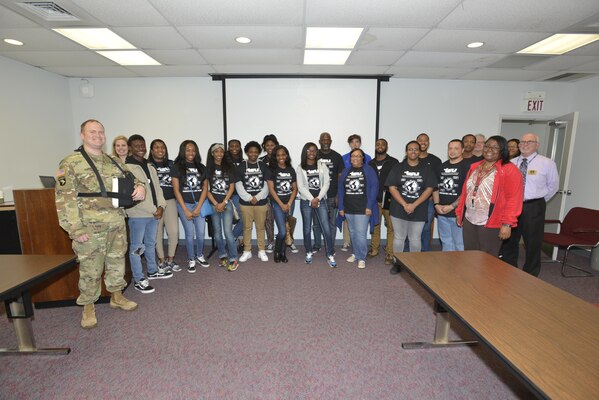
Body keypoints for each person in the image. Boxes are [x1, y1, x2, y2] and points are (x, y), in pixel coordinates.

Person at [56, 119, 144, 329]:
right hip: (89, 226)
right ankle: (88, 306)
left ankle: (116, 296)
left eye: (101, 132)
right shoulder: (70, 163)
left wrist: (141, 188)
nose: (97, 135)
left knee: (116, 262)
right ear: (82, 135)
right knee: (90, 268)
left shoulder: (113, 161)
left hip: (116, 222)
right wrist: (75, 229)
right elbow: (64, 198)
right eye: (92, 132)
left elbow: (133, 179)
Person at [501, 133, 559, 276]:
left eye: (529, 141)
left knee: (533, 242)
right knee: (509, 240)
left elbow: (553, 187)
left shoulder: (547, 163)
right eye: (522, 141)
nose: (524, 144)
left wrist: (537, 200)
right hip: (512, 206)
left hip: (533, 206)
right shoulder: (511, 163)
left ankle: (530, 274)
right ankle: (508, 269)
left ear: (537, 145)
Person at [456, 136, 523, 256]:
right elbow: (466, 192)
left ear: (502, 150)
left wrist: (507, 224)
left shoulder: (508, 169)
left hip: (491, 221)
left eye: (495, 147)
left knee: (487, 259)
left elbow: (513, 199)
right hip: (470, 218)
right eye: (487, 146)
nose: (489, 149)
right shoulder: (475, 167)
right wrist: (459, 212)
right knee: (469, 255)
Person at [125, 134, 172, 294]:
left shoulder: (150, 166)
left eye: (142, 145)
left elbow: (158, 189)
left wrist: (162, 206)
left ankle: (152, 271)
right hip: (138, 214)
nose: (141, 148)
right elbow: (132, 194)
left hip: (154, 213)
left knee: (151, 244)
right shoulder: (127, 167)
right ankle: (138, 279)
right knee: (137, 248)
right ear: (130, 148)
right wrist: (154, 209)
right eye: (137, 146)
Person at [386, 141, 436, 274]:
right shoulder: (398, 167)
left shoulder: (427, 168)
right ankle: (397, 263)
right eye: (410, 149)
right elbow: (392, 187)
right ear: (406, 151)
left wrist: (414, 204)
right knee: (399, 237)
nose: (413, 152)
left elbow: (429, 189)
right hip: (398, 208)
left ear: (419, 152)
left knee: (415, 238)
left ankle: (414, 265)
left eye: (415, 149)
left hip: (419, 208)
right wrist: (404, 204)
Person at [171, 140, 210, 272]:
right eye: (188, 150)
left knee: (200, 233)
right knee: (189, 234)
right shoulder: (176, 167)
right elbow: (176, 190)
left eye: (193, 150)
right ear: (183, 151)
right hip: (184, 204)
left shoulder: (202, 167)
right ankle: (191, 258)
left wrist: (198, 207)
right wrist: (185, 209)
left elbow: (205, 188)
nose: (191, 152)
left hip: (199, 204)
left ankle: (199, 255)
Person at [338, 148, 379, 269]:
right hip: (349, 207)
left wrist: (369, 206)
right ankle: (356, 253)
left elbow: (374, 188)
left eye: (358, 156)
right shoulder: (346, 171)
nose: (355, 158)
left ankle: (362, 257)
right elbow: (340, 190)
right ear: (350, 159)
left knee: (360, 234)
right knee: (353, 233)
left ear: (362, 158)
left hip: (363, 208)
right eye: (353, 156)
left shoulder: (369, 170)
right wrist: (341, 207)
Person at [297, 142, 337, 267]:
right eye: (309, 150)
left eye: (314, 150)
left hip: (321, 200)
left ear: (317, 152)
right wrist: (311, 199)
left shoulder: (322, 165)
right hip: (306, 201)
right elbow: (300, 186)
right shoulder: (300, 167)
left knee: (326, 228)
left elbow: (326, 184)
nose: (311, 153)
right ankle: (308, 252)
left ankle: (330, 254)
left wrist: (318, 198)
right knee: (307, 228)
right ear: (305, 152)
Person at [205, 143, 239, 271]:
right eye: (216, 152)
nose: (219, 154)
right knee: (217, 233)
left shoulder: (229, 167)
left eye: (221, 152)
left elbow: (231, 187)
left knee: (228, 232)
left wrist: (224, 202)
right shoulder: (208, 168)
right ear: (212, 153)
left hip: (226, 204)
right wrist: (215, 203)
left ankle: (234, 258)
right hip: (213, 204)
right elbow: (206, 189)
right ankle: (222, 255)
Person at [148, 139, 180, 272]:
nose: (160, 150)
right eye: (156, 148)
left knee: (174, 231)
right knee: (158, 233)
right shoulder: (148, 165)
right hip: (155, 204)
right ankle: (161, 260)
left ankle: (170, 259)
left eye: (162, 148)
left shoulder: (172, 164)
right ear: (151, 150)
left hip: (170, 201)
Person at [236, 141, 270, 262]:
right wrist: (250, 198)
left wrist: (258, 197)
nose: (253, 154)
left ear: (259, 153)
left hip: (261, 203)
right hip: (245, 203)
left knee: (260, 227)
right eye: (251, 152)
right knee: (247, 227)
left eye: (256, 152)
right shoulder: (241, 166)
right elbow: (238, 185)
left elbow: (267, 184)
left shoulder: (263, 166)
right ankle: (247, 251)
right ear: (247, 152)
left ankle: (261, 250)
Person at [433, 139, 469, 251]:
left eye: (456, 148)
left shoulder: (468, 167)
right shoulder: (441, 167)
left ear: (462, 150)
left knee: (459, 243)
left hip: (458, 212)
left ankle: (458, 268)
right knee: (446, 241)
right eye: (450, 148)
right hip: (442, 211)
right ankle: (447, 267)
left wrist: (452, 206)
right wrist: (436, 204)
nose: (452, 151)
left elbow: (467, 191)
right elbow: (435, 188)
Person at [367, 138, 399, 264]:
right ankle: (374, 250)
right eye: (378, 144)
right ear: (375, 146)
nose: (380, 146)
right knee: (375, 225)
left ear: (387, 147)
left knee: (391, 227)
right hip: (374, 199)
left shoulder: (394, 162)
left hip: (390, 200)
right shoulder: (370, 163)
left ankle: (390, 254)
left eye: (383, 144)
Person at [313, 132, 344, 253]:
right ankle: (317, 244)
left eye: (327, 140)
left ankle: (330, 246)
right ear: (319, 141)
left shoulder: (337, 156)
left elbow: (340, 177)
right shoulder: (314, 155)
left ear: (330, 141)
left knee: (331, 223)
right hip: (317, 196)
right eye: (323, 140)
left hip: (332, 195)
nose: (325, 142)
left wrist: (338, 195)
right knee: (316, 223)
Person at [266, 145, 297, 263]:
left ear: (287, 155)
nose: (281, 157)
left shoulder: (290, 169)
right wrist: (281, 204)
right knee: (282, 231)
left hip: (289, 203)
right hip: (277, 204)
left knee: (287, 229)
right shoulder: (271, 169)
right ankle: (277, 251)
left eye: (283, 154)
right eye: (278, 155)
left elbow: (295, 188)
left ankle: (283, 253)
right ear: (275, 156)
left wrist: (289, 203)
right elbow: (271, 189)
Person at [341, 134, 372, 252]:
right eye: (352, 142)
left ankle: (360, 252)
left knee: (360, 229)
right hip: (348, 197)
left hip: (362, 197)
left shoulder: (368, 157)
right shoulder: (344, 158)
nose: (355, 144)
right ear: (349, 144)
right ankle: (346, 241)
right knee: (348, 222)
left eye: (357, 142)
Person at [416, 133, 442, 252]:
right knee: (410, 229)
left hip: (428, 202)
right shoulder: (409, 159)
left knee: (426, 228)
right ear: (416, 141)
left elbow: (438, 182)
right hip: (411, 201)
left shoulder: (435, 161)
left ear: (429, 143)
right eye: (420, 140)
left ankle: (425, 253)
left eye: (425, 141)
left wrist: (433, 196)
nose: (423, 142)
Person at [260, 134, 279, 253]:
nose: (270, 147)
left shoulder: (281, 158)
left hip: (282, 195)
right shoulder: (260, 161)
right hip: (266, 195)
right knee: (268, 220)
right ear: (264, 146)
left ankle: (289, 240)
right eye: (267, 145)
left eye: (272, 145)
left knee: (285, 220)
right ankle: (271, 242)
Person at [226, 139, 244, 249]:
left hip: (242, 194)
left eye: (236, 146)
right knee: (242, 220)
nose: (234, 148)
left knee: (244, 219)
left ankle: (233, 242)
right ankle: (230, 241)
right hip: (230, 195)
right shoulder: (224, 161)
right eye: (231, 146)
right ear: (228, 148)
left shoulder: (243, 162)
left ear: (240, 147)